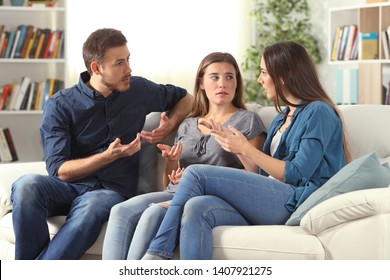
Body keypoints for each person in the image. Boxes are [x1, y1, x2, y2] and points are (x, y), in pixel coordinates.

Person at [142, 41, 351, 260]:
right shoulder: (282, 118)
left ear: (283, 75)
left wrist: (247, 149)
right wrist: (236, 147)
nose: (260, 79)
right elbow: (262, 174)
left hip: (295, 200)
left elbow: (297, 174)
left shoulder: (318, 112)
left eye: (263, 72)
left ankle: (156, 255)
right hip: (270, 195)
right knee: (196, 207)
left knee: (195, 172)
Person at [10, 28, 193, 260]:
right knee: (26, 185)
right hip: (69, 188)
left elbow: (186, 98)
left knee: (91, 206)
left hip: (110, 191)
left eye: (128, 60)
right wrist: (108, 156)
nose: (128, 69)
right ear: (96, 68)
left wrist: (170, 125)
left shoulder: (138, 90)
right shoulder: (60, 105)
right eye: (119, 63)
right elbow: (59, 170)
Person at [102, 52, 267, 259]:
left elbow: (255, 175)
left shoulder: (248, 120)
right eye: (214, 77)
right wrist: (171, 162)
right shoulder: (188, 124)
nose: (222, 84)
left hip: (213, 198)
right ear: (201, 83)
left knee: (153, 213)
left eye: (229, 77)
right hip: (176, 193)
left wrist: (234, 145)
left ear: (237, 83)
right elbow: (169, 182)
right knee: (120, 211)